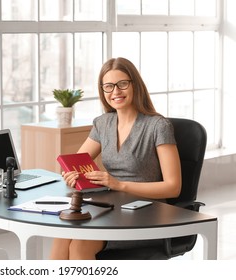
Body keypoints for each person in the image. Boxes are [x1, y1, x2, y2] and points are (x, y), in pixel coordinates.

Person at [49, 57, 182, 260]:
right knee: (62, 234)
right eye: (108, 87)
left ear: (135, 85)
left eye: (122, 84)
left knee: (79, 246)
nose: (115, 92)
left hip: (147, 212)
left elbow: (173, 187)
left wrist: (119, 184)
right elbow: (74, 162)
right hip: (111, 208)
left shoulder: (158, 126)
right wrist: (70, 173)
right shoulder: (103, 123)